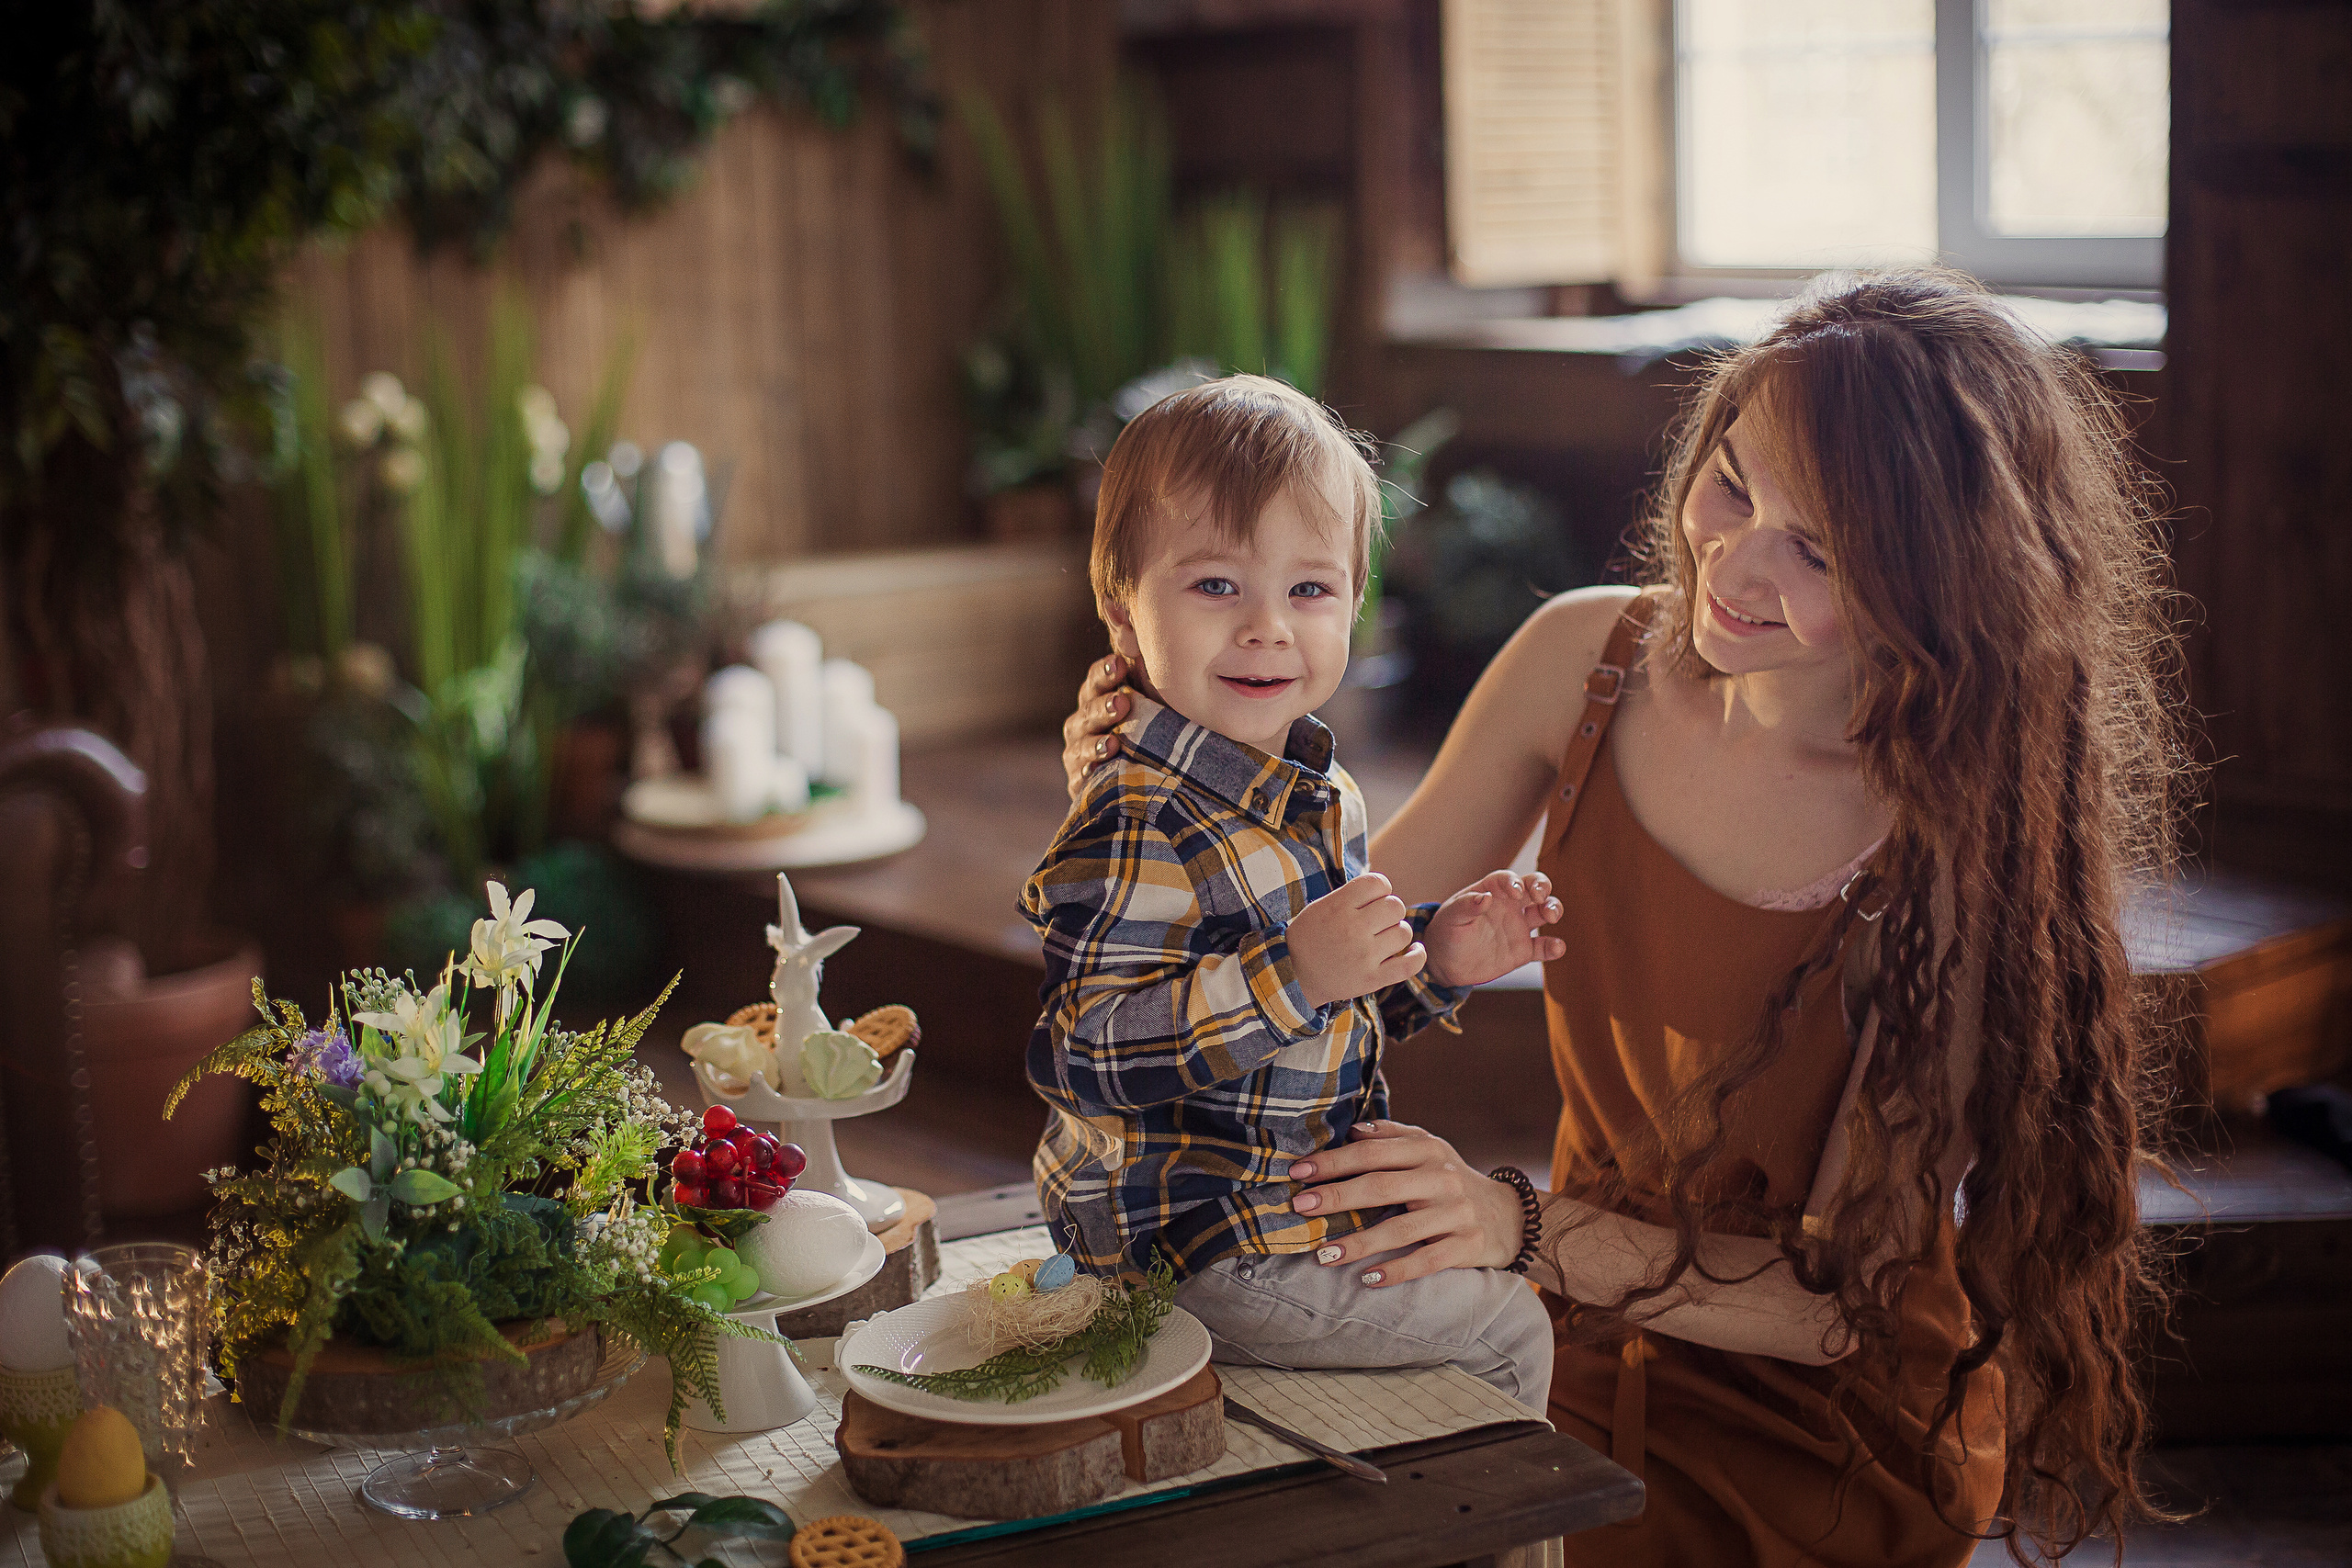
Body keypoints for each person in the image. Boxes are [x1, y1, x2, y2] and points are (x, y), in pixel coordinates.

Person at [1057, 272, 2186, 1564]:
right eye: (1733, 487)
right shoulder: (1582, 662)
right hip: (1561, 1327)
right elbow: (1341, 938)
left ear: (1937, 579)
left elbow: (1834, 1306)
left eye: (1818, 551)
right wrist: (1167, 778)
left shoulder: (1946, 840)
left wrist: (1511, 1225)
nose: (1734, 564)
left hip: (1810, 1422)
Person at [1022, 374, 1566, 1411]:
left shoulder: (1309, 786)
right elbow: (1081, 1054)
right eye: (1216, 585)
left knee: (1469, 1271)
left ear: (1356, 601)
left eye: (1310, 590)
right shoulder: (1138, 817)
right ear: (1122, 612)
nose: (1268, 626)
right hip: (1188, 1241)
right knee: (1508, 1326)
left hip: (1287, 1196)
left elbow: (1324, 1011)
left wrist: (1436, 955)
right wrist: (1295, 973)